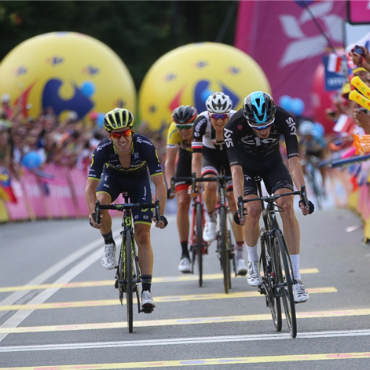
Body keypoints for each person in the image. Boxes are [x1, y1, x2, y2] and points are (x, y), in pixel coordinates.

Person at [224, 91, 314, 303]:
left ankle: (296, 279)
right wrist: (240, 206)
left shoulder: (286, 119)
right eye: (258, 127)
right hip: (245, 169)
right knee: (252, 209)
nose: (263, 131)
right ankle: (253, 263)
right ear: (247, 121)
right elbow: (235, 171)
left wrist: (303, 194)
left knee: (287, 207)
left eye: (267, 125)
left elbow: (293, 162)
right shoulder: (232, 126)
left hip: (273, 165)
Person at [85, 108, 168, 312]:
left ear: (132, 131)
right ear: (109, 136)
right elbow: (89, 188)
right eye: (116, 135)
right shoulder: (102, 150)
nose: (122, 139)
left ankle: (147, 292)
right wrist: (92, 213)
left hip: (139, 184)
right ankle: (109, 244)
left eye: (126, 134)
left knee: (142, 237)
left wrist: (160, 213)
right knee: (100, 202)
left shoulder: (146, 146)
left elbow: (159, 184)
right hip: (112, 179)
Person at [191, 92, 248, 276]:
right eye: (215, 117)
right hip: (211, 156)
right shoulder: (200, 122)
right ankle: (211, 220)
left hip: (231, 155)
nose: (220, 121)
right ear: (209, 115)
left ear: (228, 114)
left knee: (233, 199)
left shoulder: (236, 118)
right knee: (209, 185)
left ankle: (240, 254)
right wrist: (194, 180)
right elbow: (196, 157)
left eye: (223, 116)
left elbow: (245, 148)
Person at [165, 105, 198, 273]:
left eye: (187, 127)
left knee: (212, 186)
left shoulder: (202, 126)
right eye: (180, 127)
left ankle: (213, 218)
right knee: (183, 202)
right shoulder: (174, 130)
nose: (183, 131)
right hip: (185, 158)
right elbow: (169, 164)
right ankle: (185, 254)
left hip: (204, 157)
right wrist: (171, 185)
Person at [298, 120, 328, 192]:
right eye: (305, 135)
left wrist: (324, 157)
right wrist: (301, 158)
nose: (306, 137)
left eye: (308, 135)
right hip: (309, 152)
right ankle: (308, 179)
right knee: (302, 165)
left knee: (322, 166)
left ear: (311, 133)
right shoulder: (302, 140)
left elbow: (324, 148)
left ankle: (323, 183)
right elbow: (299, 149)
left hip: (318, 152)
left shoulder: (317, 137)